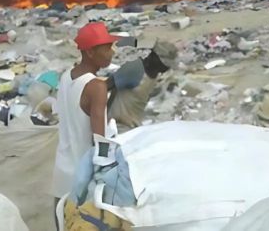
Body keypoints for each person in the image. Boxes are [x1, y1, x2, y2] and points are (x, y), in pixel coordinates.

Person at [51, 21, 119, 208]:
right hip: (83, 178)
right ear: (90, 52)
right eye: (106, 49)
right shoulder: (96, 86)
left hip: (62, 172)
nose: (112, 53)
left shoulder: (66, 76)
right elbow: (99, 141)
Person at [107, 40, 178, 132]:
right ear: (155, 57)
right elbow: (103, 87)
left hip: (133, 127)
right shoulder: (135, 69)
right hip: (118, 126)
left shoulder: (153, 75)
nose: (166, 68)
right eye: (164, 64)